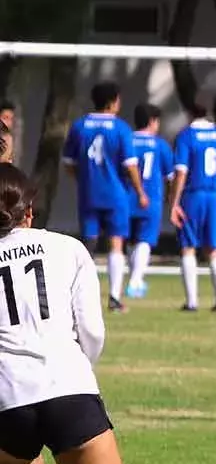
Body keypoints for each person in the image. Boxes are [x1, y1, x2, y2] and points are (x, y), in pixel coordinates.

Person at [0, 163, 166, 464]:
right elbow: (91, 331)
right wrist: (76, 372)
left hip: (8, 400)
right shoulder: (67, 248)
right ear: (30, 211)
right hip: (71, 392)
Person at [61, 81, 149, 313]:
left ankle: (78, 301)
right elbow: (130, 166)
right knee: (116, 243)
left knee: (87, 244)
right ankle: (114, 298)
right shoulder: (121, 129)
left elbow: (68, 164)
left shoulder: (79, 126)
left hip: (89, 194)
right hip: (115, 195)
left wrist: (84, 180)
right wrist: (140, 192)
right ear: (112, 102)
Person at [166, 103, 216, 312]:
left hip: (193, 196)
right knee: (212, 249)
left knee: (188, 247)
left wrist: (174, 202)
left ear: (190, 114)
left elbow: (181, 172)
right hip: (213, 197)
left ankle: (192, 302)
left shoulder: (187, 136)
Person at [125, 104, 175, 300]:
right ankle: (135, 281)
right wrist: (172, 199)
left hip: (127, 197)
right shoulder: (161, 145)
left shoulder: (127, 140)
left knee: (129, 240)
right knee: (145, 240)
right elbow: (170, 176)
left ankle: (134, 279)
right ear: (153, 121)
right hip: (151, 198)